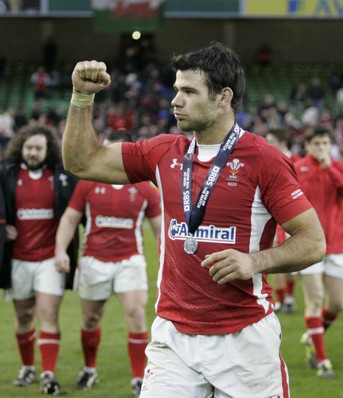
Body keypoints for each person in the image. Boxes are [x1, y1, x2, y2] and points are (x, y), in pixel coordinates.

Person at [62, 42, 326, 397]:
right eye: (176, 90)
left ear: (223, 97)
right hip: (174, 338)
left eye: (188, 91)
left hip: (245, 339)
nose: (176, 100)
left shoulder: (264, 159)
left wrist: (255, 261)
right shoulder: (162, 151)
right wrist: (81, 97)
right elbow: (82, 162)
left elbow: (313, 241)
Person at [55, 128, 162, 396]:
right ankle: (89, 369)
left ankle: (139, 378)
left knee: (137, 317)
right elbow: (69, 219)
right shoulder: (89, 182)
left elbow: (161, 228)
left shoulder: (144, 188)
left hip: (130, 260)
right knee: (90, 319)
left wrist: (166, 258)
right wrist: (60, 250)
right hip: (93, 260)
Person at [0, 125, 80, 395]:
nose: (33, 153)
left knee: (48, 315)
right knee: (23, 316)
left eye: (38, 148)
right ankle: (27, 367)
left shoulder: (60, 177)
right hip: (18, 260)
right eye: (29, 147)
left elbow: (75, 212)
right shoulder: (8, 175)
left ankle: (48, 374)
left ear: (48, 151)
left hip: (49, 259)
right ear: (21, 147)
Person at [294, 126, 343, 378]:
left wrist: (330, 168)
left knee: (338, 303)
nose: (321, 148)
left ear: (330, 145)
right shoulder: (298, 168)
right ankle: (322, 361)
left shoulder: (341, 168)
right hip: (308, 243)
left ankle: (313, 335)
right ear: (308, 145)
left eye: (325, 143)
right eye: (316, 144)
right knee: (314, 299)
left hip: (336, 244)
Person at [266, 127, 301, 313]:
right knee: (276, 257)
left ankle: (289, 296)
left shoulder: (295, 162)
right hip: (272, 215)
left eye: (270, 139)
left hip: (292, 214)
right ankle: (282, 300)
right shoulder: (269, 160)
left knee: (290, 260)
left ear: (281, 142)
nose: (266, 143)